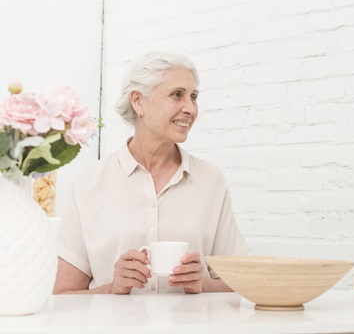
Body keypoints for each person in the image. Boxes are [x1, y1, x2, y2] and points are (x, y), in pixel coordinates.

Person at [53, 52, 250, 295]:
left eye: (194, 97)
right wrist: (113, 288)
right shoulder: (86, 184)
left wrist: (204, 284)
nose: (190, 108)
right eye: (177, 94)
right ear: (138, 101)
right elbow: (63, 296)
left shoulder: (211, 181)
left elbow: (242, 285)